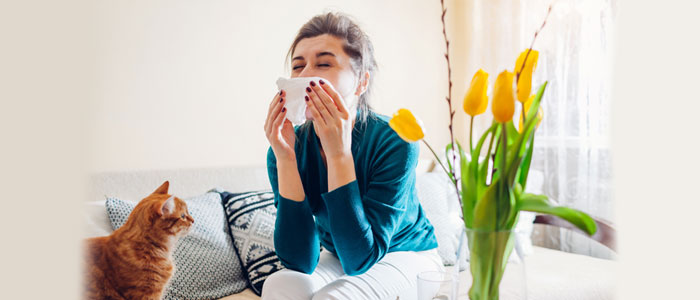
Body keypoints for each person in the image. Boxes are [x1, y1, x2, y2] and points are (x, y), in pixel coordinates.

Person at [262, 12, 443, 300]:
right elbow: (300, 261)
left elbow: (361, 258)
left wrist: (339, 156)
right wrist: (286, 161)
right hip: (341, 253)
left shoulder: (395, 139)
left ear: (360, 82)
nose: (306, 75)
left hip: (406, 253)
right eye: (298, 66)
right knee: (279, 286)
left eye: (323, 63)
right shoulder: (287, 147)